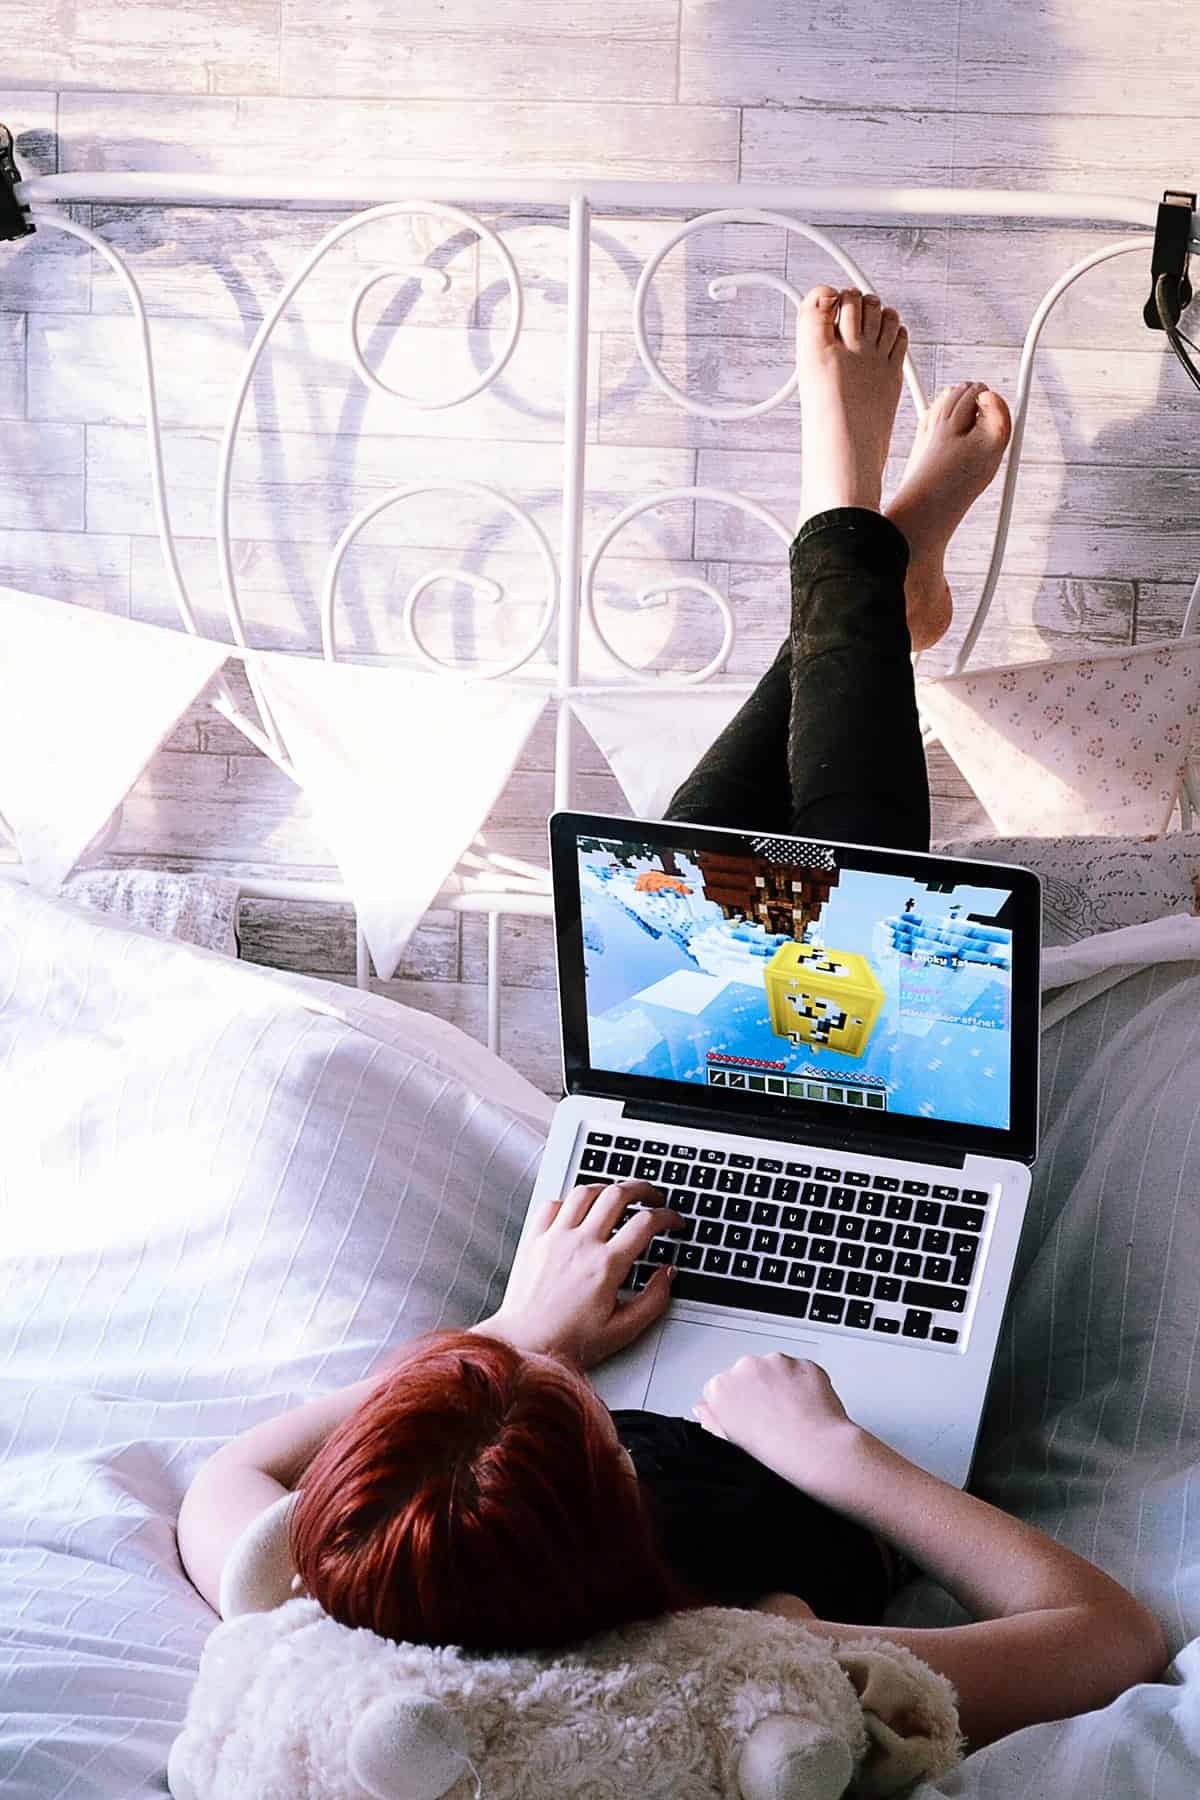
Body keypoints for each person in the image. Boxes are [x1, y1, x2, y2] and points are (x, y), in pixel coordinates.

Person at [177, 286, 1167, 1754]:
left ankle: (869, 578)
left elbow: (219, 1494)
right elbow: (1109, 1641)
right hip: (830, 1393)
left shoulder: (354, 1592)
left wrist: (521, 1336)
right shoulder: (742, 1665)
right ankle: (859, 563)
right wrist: (832, 1453)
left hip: (611, 1255)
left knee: (679, 896)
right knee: (849, 903)